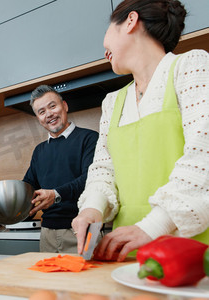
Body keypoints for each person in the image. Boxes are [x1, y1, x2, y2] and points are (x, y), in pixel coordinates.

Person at [72, 0, 209, 262]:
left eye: (108, 31)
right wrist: (92, 209)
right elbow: (103, 170)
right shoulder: (112, 102)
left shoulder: (192, 66)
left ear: (131, 21)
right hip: (130, 252)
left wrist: (152, 228)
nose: (104, 50)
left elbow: (204, 158)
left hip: (192, 254)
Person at [23, 85, 99, 253]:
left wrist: (56, 194)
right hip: (47, 234)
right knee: (49, 279)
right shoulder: (39, 150)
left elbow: (91, 179)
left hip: (82, 228)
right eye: (41, 112)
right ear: (38, 118)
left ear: (64, 106)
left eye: (52, 106)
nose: (49, 114)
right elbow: (28, 185)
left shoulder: (90, 138)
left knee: (86, 279)